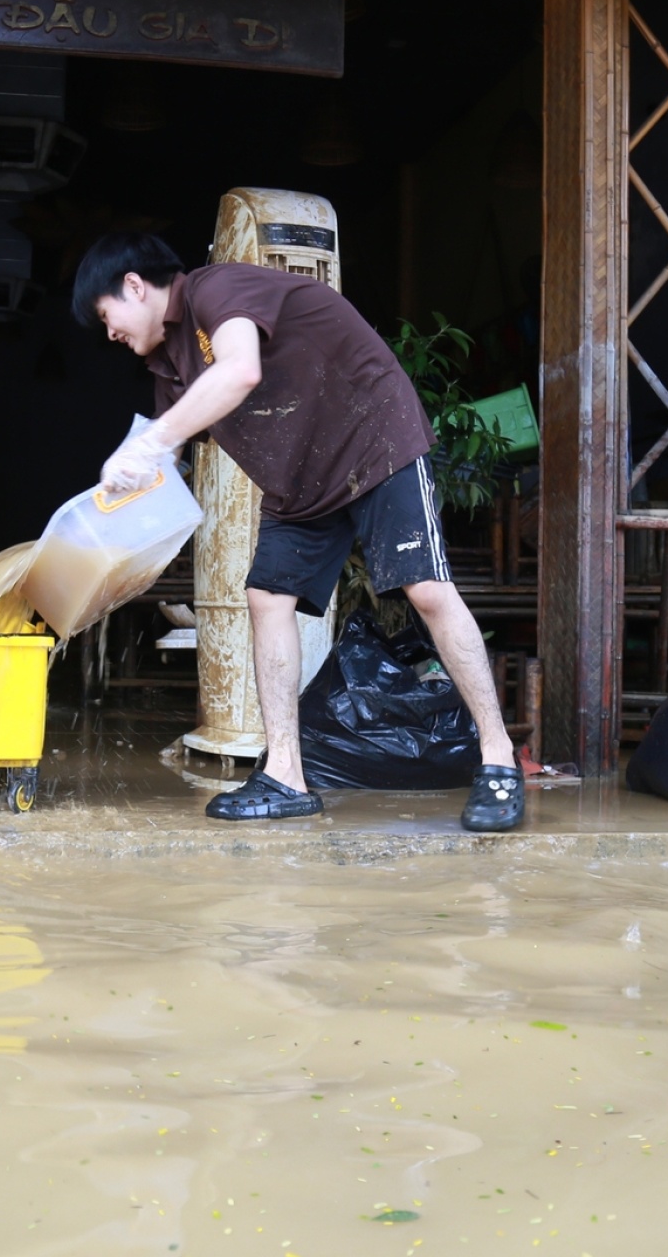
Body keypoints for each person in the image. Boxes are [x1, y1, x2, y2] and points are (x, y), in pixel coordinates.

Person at [76, 232, 523, 832]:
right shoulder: (170, 363)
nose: (109, 333)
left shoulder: (216, 288)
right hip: (302, 481)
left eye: (106, 315)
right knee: (267, 597)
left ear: (134, 286)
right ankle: (286, 775)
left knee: (426, 589)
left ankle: (498, 759)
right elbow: (166, 458)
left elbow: (239, 370)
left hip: (374, 442)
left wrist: (151, 441)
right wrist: (104, 515)